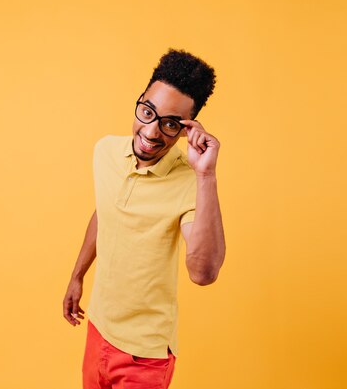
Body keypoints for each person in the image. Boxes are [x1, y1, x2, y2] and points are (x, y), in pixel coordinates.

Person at [63, 48, 226, 389]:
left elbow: (203, 272)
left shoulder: (189, 181)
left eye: (170, 124)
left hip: (144, 355)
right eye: (148, 112)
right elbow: (105, 212)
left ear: (186, 129)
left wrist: (206, 176)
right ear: (139, 101)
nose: (152, 132)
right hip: (98, 329)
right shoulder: (105, 151)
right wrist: (77, 276)